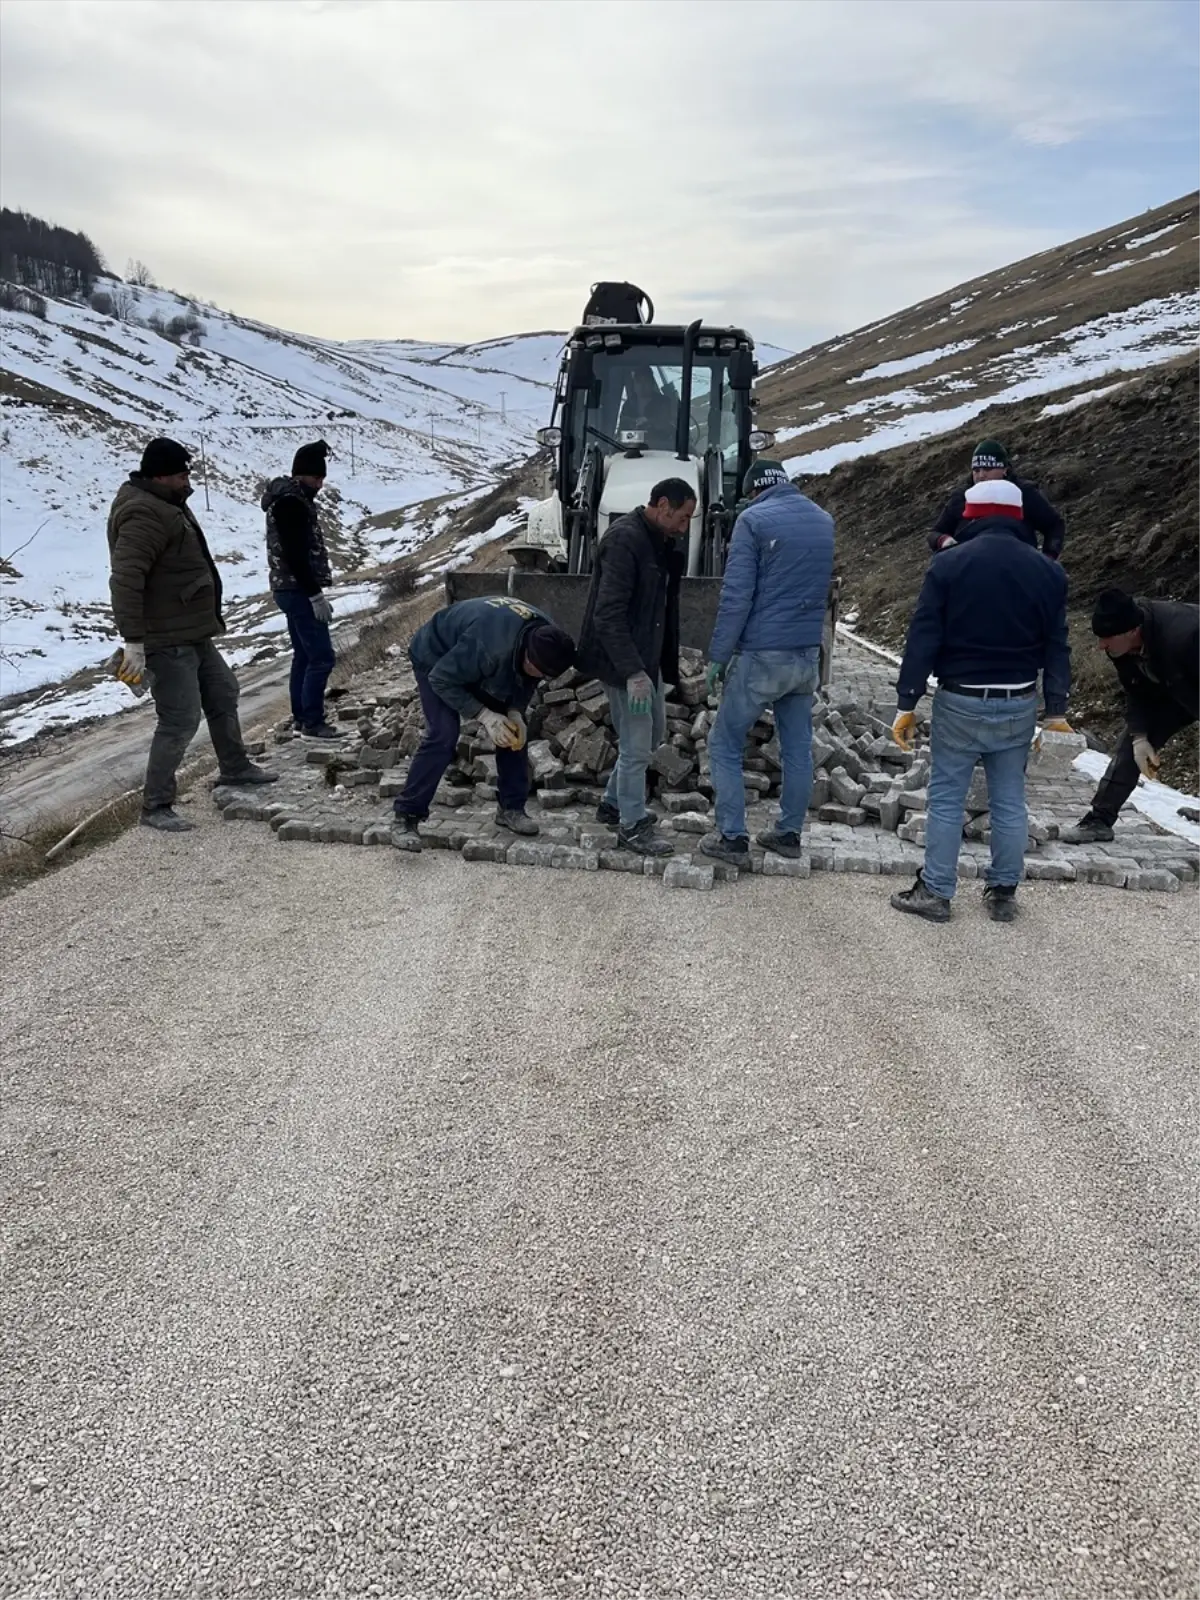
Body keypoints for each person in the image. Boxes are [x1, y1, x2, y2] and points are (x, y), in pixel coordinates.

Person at [890, 483, 1071, 922]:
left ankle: (936, 891)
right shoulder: (1048, 572)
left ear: (972, 516)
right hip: (1018, 702)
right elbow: (1057, 644)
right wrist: (1057, 709)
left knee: (948, 797)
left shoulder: (949, 564)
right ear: (1017, 517)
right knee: (1009, 799)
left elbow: (924, 635)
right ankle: (1003, 891)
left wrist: (907, 701)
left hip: (960, 698)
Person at [108, 437, 278, 832]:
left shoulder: (166, 503)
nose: (190, 480)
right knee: (180, 719)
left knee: (223, 693)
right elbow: (126, 580)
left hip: (192, 632)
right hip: (165, 639)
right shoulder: (143, 514)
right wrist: (134, 641)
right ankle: (155, 806)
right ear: (162, 475)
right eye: (184, 473)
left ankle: (235, 767)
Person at [700, 461, 835, 867]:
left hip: (762, 655)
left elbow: (737, 596)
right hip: (806, 653)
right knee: (797, 748)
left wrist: (719, 656)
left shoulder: (752, 520)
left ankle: (733, 837)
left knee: (724, 742)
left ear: (753, 490)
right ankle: (789, 834)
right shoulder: (822, 520)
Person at [391, 598, 576, 851]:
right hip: (435, 657)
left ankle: (511, 809)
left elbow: (526, 681)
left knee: (513, 735)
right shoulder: (490, 649)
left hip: (478, 653)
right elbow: (441, 679)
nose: (542, 679)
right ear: (529, 659)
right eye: (540, 673)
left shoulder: (546, 638)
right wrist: (486, 716)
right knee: (443, 734)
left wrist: (514, 712)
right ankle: (406, 815)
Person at [576, 478, 692, 856]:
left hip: (645, 661)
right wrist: (633, 672)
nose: (685, 526)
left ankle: (612, 805)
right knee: (637, 745)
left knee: (654, 731)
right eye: (683, 517)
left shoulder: (657, 541)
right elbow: (606, 615)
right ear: (662, 505)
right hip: (624, 664)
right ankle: (632, 825)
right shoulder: (625, 541)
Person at [1061, 588, 1200, 843]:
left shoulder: (1185, 635)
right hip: (1173, 687)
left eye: (1107, 639)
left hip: (1189, 675)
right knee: (1129, 748)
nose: (1101, 645)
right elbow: (1134, 689)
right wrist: (1139, 737)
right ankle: (1099, 820)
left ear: (1132, 631)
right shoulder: (1119, 645)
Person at [263, 439, 340, 739]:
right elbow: (296, 554)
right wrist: (315, 595)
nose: (320, 484)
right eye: (316, 478)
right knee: (322, 657)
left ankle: (300, 717)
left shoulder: (288, 499)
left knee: (304, 656)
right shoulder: (292, 504)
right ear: (300, 475)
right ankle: (312, 721)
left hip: (288, 589)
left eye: (322, 478)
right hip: (297, 590)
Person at [929, 438, 1065, 559]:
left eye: (987, 469)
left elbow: (1054, 524)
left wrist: (1048, 557)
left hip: (1018, 567)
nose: (981, 475)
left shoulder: (1024, 493)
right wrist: (943, 540)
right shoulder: (962, 496)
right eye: (976, 470)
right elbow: (936, 532)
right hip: (969, 569)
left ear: (1004, 469)